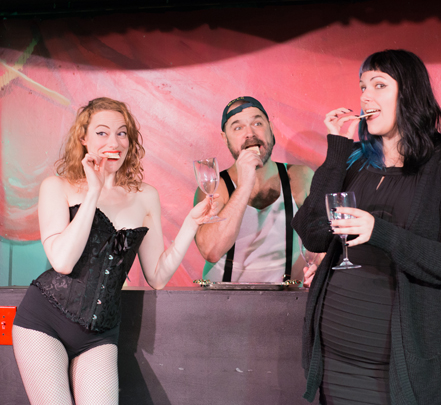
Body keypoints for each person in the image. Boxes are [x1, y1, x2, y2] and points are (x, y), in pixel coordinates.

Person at [292, 50, 441, 404]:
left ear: (409, 92)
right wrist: (337, 150)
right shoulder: (354, 161)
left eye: (379, 85)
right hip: (337, 362)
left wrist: (380, 232)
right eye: (362, 87)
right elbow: (313, 233)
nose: (365, 96)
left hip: (402, 371)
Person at [12, 97, 216, 405]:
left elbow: (157, 276)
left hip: (100, 333)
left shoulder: (145, 195)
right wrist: (93, 191)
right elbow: (63, 261)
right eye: (102, 133)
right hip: (44, 321)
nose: (114, 142)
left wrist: (190, 224)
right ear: (83, 138)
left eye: (122, 133)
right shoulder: (57, 186)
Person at [194, 96, 315, 284]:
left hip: (287, 297)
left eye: (257, 123)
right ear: (225, 138)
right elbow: (211, 251)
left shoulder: (300, 176)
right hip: (223, 297)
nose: (250, 133)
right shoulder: (216, 186)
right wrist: (244, 186)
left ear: (270, 129)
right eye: (238, 127)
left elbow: (325, 240)